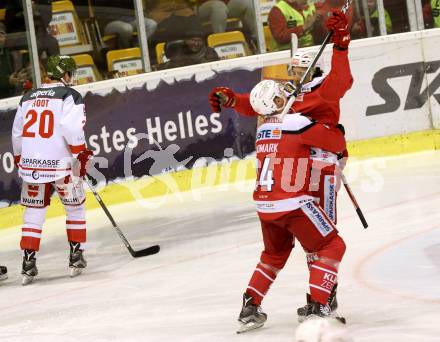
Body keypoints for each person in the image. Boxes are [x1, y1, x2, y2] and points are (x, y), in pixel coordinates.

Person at [208, 10, 353, 330]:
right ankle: (320, 296)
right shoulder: (290, 98)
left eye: (301, 68)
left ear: (312, 68)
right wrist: (234, 100)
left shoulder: (322, 89)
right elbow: (263, 104)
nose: (295, 74)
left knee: (323, 233)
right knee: (315, 236)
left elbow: (343, 81)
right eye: (292, 69)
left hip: (323, 166)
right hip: (298, 170)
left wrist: (341, 45)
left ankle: (325, 297)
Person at [11, 55, 93, 285]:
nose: (72, 77)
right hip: (61, 164)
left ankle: (28, 261)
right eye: (71, 73)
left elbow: (17, 132)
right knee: (75, 208)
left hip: (32, 166)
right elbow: (70, 126)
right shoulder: (70, 95)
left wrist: (20, 159)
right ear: (64, 74)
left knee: (33, 214)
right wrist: (81, 152)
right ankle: (76, 256)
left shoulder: (28, 96)